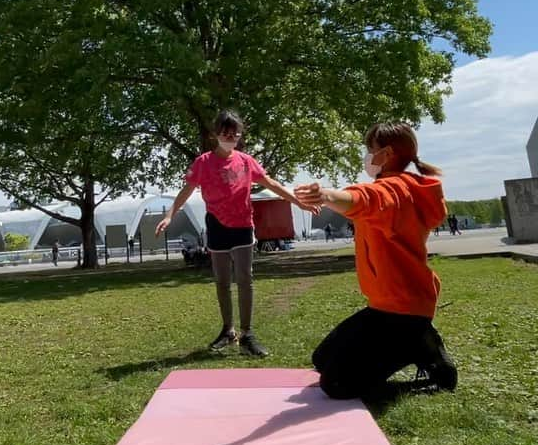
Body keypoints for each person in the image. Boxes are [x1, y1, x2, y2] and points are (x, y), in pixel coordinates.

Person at [294, 122, 458, 399]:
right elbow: (364, 199)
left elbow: (362, 199)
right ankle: (418, 338)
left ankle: (423, 353)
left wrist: (324, 195)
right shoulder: (401, 189)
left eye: (370, 150)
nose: (367, 156)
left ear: (386, 154)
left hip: (402, 311)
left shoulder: (393, 192)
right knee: (322, 359)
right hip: (385, 306)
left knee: (336, 385)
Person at [156, 109, 310, 358]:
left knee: (245, 278)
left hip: (243, 226)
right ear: (216, 135)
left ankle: (247, 334)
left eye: (235, 135)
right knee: (222, 281)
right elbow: (187, 190)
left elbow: (271, 184)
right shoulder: (203, 162)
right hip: (217, 226)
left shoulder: (246, 161)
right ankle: (228, 330)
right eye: (226, 134)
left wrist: (298, 201)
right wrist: (169, 214)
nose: (231, 139)